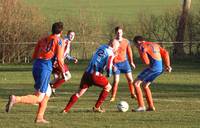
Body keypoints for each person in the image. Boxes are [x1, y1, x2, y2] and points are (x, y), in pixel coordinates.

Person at [5, 22, 65, 123]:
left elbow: (34, 55)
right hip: (45, 68)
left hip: (37, 65)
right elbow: (59, 59)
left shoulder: (42, 39)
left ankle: (39, 117)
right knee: (39, 97)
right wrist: (63, 71)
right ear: (61, 31)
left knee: (48, 92)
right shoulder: (59, 41)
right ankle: (15, 99)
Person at [61, 39, 120, 113]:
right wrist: (109, 73)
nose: (118, 48)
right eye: (117, 46)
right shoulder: (111, 54)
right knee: (108, 87)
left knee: (78, 93)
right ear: (113, 45)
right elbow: (108, 66)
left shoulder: (101, 47)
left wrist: (111, 65)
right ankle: (96, 107)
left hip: (87, 73)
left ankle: (65, 110)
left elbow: (99, 59)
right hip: (95, 75)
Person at [133, 35, 172, 112]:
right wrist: (168, 65)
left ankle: (141, 106)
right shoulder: (155, 44)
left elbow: (145, 60)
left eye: (135, 45)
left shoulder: (142, 46)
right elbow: (165, 52)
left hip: (152, 68)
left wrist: (147, 63)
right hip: (160, 69)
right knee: (145, 85)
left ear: (138, 42)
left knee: (136, 84)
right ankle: (151, 106)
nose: (136, 46)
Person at [110, 26, 136, 102]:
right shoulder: (113, 41)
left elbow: (129, 52)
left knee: (130, 79)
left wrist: (131, 62)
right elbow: (109, 52)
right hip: (116, 64)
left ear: (122, 33)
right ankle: (113, 96)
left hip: (125, 63)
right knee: (116, 81)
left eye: (120, 32)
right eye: (118, 32)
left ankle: (132, 94)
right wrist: (110, 63)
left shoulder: (126, 41)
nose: (119, 34)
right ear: (115, 33)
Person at [50, 30, 78, 96]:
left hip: (58, 61)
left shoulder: (67, 42)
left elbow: (66, 55)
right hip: (58, 62)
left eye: (73, 35)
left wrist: (72, 58)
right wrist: (56, 60)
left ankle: (47, 87)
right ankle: (53, 88)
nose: (72, 36)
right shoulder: (65, 41)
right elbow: (59, 52)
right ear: (67, 34)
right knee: (67, 76)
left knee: (56, 78)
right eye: (70, 35)